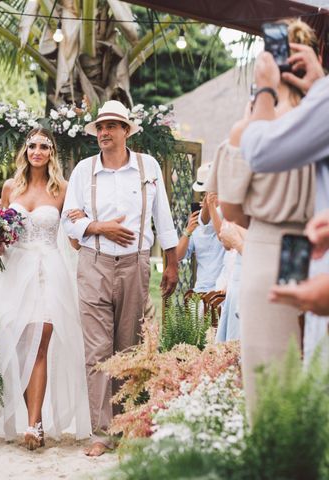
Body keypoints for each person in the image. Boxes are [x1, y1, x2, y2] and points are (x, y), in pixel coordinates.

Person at [62, 100, 179, 456]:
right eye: (100, 127)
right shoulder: (84, 170)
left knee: (129, 347)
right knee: (97, 351)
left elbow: (164, 216)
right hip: (94, 264)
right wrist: (97, 226)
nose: (104, 133)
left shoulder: (148, 166)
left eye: (111, 126)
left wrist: (171, 263)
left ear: (126, 131)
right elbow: (68, 221)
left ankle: (128, 426)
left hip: (136, 265)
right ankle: (101, 434)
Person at [0, 127, 91, 450]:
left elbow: (73, 237)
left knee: (41, 339)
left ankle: (34, 425)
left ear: (52, 153)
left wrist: (83, 223)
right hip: (13, 272)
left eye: (44, 146)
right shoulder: (10, 188)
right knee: (18, 345)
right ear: (25, 151)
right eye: (33, 145)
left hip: (47, 271)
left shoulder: (63, 189)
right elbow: (0, 236)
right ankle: (30, 417)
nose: (38, 151)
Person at [236, 22, 328, 363]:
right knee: (304, 356)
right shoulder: (317, 105)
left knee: (274, 369)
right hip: (309, 244)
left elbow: (257, 154)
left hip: (270, 245)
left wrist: (263, 93)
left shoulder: (258, 119)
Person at [176, 164, 225, 294]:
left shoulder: (227, 214)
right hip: (201, 290)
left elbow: (222, 235)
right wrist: (187, 231)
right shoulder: (197, 223)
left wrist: (212, 207)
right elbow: (178, 256)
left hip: (222, 290)